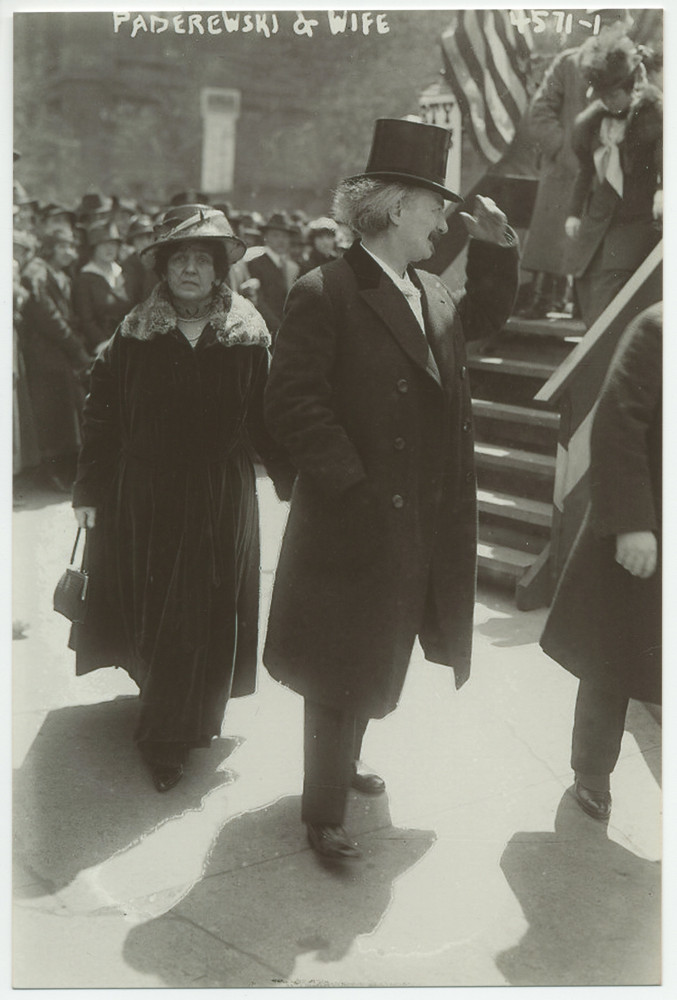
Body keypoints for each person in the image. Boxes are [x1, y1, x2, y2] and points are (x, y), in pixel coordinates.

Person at [263, 117, 519, 859]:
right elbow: (292, 404)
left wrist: (498, 248)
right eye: (434, 206)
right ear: (394, 207)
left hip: (415, 514)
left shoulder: (429, 290)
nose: (444, 220)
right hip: (354, 514)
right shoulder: (326, 290)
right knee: (338, 659)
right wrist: (354, 485)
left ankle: (343, 765)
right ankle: (322, 813)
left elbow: (481, 324)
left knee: (377, 648)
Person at [71, 204, 293, 792]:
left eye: (203, 258)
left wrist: (296, 479)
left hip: (223, 493)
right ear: (163, 267)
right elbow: (103, 415)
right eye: (180, 258)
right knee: (165, 609)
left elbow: (268, 418)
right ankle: (164, 737)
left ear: (219, 268)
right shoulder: (134, 332)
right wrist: (89, 490)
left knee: (210, 606)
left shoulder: (247, 332)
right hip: (148, 492)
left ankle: (192, 716)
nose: (191, 268)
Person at [540, 303, 661, 821]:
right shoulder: (659, 326)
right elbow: (617, 425)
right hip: (649, 522)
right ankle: (592, 774)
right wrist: (633, 522)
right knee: (613, 657)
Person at [519, 9, 633, 319]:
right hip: (566, 170)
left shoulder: (629, 65)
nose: (624, 35)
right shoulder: (568, 63)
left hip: (609, 171)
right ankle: (544, 299)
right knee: (555, 237)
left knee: (598, 242)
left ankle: (583, 307)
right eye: (619, 29)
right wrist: (567, 150)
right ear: (604, 29)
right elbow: (539, 112)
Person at [565, 37, 662, 328]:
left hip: (633, 219)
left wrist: (663, 191)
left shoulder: (653, 118)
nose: (608, 102)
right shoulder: (593, 124)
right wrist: (573, 211)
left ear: (631, 89)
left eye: (614, 96)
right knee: (585, 281)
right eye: (603, 97)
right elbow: (585, 171)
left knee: (611, 288)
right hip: (598, 218)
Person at [19, 227, 92, 490]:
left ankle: (63, 470)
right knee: (53, 413)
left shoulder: (59, 273)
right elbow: (49, 319)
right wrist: (77, 349)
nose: (69, 252)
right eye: (63, 246)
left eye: (72, 246)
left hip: (59, 351)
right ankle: (54, 472)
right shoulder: (37, 272)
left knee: (65, 411)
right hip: (45, 353)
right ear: (50, 247)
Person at [72, 219, 131, 353]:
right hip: (101, 348)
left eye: (113, 244)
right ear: (93, 248)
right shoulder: (85, 279)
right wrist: (104, 343)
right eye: (103, 244)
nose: (109, 249)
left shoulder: (123, 272)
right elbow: (86, 320)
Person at [246, 211, 300, 337]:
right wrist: (278, 327)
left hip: (285, 329)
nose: (281, 241)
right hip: (267, 330)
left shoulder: (290, 266)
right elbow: (259, 301)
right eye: (276, 236)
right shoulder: (256, 264)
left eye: (285, 237)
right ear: (266, 237)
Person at [120, 214, 159, 306]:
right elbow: (133, 298)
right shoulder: (128, 265)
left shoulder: (161, 260)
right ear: (133, 242)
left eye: (148, 237)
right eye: (140, 239)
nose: (145, 242)